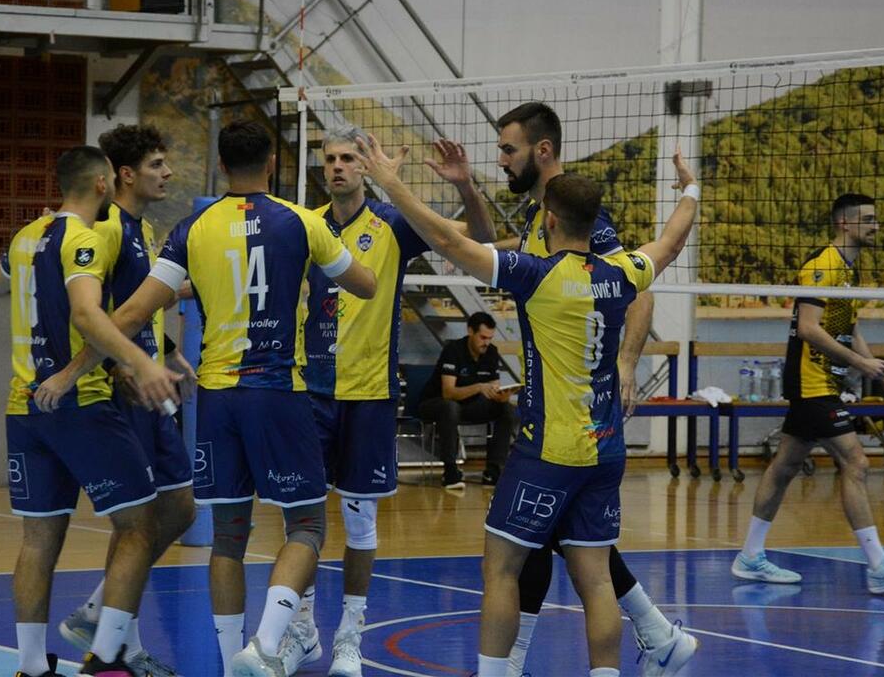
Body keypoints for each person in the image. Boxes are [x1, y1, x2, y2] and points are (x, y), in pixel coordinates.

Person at [37, 120, 377, 677]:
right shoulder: (301, 221)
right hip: (278, 392)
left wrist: (72, 371)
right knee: (307, 526)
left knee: (227, 538)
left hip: (218, 399)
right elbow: (364, 283)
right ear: (272, 163)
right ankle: (266, 646)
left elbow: (132, 312)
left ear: (220, 166)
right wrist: (310, 266)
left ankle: (226, 661)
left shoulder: (191, 228)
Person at [353, 132, 698, 677]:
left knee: (501, 570)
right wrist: (691, 189)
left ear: (550, 221)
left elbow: (446, 239)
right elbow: (672, 242)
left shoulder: (535, 276)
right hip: (606, 449)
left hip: (547, 452)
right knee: (596, 579)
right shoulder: (625, 272)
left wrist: (390, 183)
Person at [443, 101, 693, 675]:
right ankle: (654, 633)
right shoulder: (540, 217)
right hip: (569, 421)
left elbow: (638, 291)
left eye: (508, 150)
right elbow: (487, 242)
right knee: (567, 548)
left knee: (525, 549)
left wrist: (626, 364)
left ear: (542, 150)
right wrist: (466, 190)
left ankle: (517, 661)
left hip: (567, 419)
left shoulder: (584, 221)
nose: (502, 160)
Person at [276, 125, 493, 677]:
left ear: (367, 167)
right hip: (309, 391)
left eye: (349, 158)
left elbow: (479, 237)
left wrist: (465, 187)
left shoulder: (393, 223)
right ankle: (302, 630)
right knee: (301, 521)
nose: (338, 166)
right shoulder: (305, 225)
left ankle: (349, 636)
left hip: (369, 394)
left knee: (360, 525)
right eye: (330, 158)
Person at [0, 146, 183, 677]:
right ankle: (106, 659)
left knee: (38, 540)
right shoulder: (84, 237)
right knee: (138, 526)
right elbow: (86, 313)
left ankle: (31, 668)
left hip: (24, 405)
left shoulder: (26, 236)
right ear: (106, 182)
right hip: (79, 402)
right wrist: (140, 363)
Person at [44, 125, 193, 677]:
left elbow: (134, 306)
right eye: (156, 164)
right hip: (124, 392)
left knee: (179, 510)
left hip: (151, 384)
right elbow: (91, 314)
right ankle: (116, 650)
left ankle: (98, 611)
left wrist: (167, 350)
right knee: (138, 524)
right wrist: (116, 366)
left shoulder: (141, 229)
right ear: (125, 175)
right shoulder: (103, 230)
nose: (167, 173)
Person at [731, 193, 884, 594]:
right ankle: (879, 566)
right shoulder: (822, 265)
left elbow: (847, 326)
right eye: (868, 219)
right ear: (845, 223)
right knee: (855, 462)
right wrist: (861, 365)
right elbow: (809, 328)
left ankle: (750, 556)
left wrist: (878, 372)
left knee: (785, 466)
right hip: (812, 383)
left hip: (825, 382)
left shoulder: (848, 270)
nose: (876, 226)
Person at [416, 311, 516, 489]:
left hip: (469, 406)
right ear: (470, 331)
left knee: (507, 409)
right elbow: (448, 393)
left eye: (490, 338)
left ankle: (493, 471)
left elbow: (494, 386)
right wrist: (478, 387)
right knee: (450, 407)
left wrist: (501, 396)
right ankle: (450, 471)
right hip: (435, 403)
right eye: (483, 337)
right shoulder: (453, 350)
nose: (486, 343)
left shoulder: (491, 352)